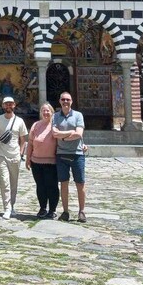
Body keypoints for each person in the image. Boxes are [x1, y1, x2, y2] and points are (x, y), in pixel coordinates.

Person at [52, 92, 86, 222]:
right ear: (60, 101)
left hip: (77, 154)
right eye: (63, 100)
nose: (65, 102)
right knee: (64, 183)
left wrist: (63, 137)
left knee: (80, 183)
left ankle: (82, 211)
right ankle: (65, 211)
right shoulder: (55, 116)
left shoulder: (78, 115)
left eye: (68, 99)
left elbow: (79, 134)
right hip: (61, 154)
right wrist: (70, 133)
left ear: (72, 101)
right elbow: (54, 133)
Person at [0, 96, 28, 219]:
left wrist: (21, 153)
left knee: (14, 183)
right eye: (6, 104)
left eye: (10, 104)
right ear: (3, 106)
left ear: (14, 105)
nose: (8, 106)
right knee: (4, 182)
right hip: (1, 154)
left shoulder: (19, 121)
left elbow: (23, 139)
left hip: (15, 155)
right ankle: (7, 208)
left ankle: (12, 205)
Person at [27, 102, 59, 219]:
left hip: (51, 162)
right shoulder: (36, 125)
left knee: (52, 186)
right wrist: (28, 158)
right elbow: (30, 143)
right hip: (36, 161)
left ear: (52, 112)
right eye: (43, 111)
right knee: (40, 186)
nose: (46, 113)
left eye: (48, 111)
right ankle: (42, 208)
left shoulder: (56, 126)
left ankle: (52, 209)